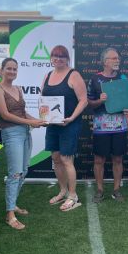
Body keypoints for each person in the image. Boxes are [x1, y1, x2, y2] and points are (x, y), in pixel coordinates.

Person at [0, 58, 46, 229]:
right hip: (11, 133)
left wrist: (38, 120)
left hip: (24, 132)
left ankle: (13, 203)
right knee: (15, 173)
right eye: (9, 68)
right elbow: (5, 114)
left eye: (15, 69)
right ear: (1, 70)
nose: (12, 72)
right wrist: (29, 122)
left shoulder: (18, 89)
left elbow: (24, 112)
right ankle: (9, 214)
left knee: (23, 170)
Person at [42, 45, 88, 212]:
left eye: (62, 56)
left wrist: (71, 119)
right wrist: (44, 117)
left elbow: (83, 100)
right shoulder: (47, 75)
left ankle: (73, 196)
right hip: (53, 124)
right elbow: (44, 99)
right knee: (55, 158)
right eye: (55, 56)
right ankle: (62, 190)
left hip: (70, 124)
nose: (58, 59)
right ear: (51, 58)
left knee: (66, 159)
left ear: (67, 58)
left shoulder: (73, 75)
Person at [87, 47, 128, 203]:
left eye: (118, 58)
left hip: (120, 126)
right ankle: (99, 190)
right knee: (99, 160)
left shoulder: (123, 78)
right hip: (101, 127)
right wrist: (100, 101)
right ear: (105, 62)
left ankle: (116, 189)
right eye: (113, 58)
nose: (117, 60)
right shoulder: (94, 79)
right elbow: (89, 102)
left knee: (118, 159)